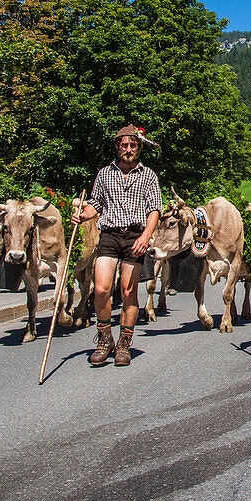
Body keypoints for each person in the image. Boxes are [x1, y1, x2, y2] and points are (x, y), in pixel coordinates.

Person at [71, 124, 162, 367]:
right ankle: (104, 340)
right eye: (124, 145)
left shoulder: (148, 175)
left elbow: (154, 210)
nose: (129, 149)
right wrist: (82, 215)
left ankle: (124, 344)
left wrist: (145, 236)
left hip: (135, 236)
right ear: (117, 147)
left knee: (128, 291)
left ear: (138, 147)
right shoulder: (104, 174)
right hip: (109, 235)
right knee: (100, 289)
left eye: (133, 145)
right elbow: (95, 204)